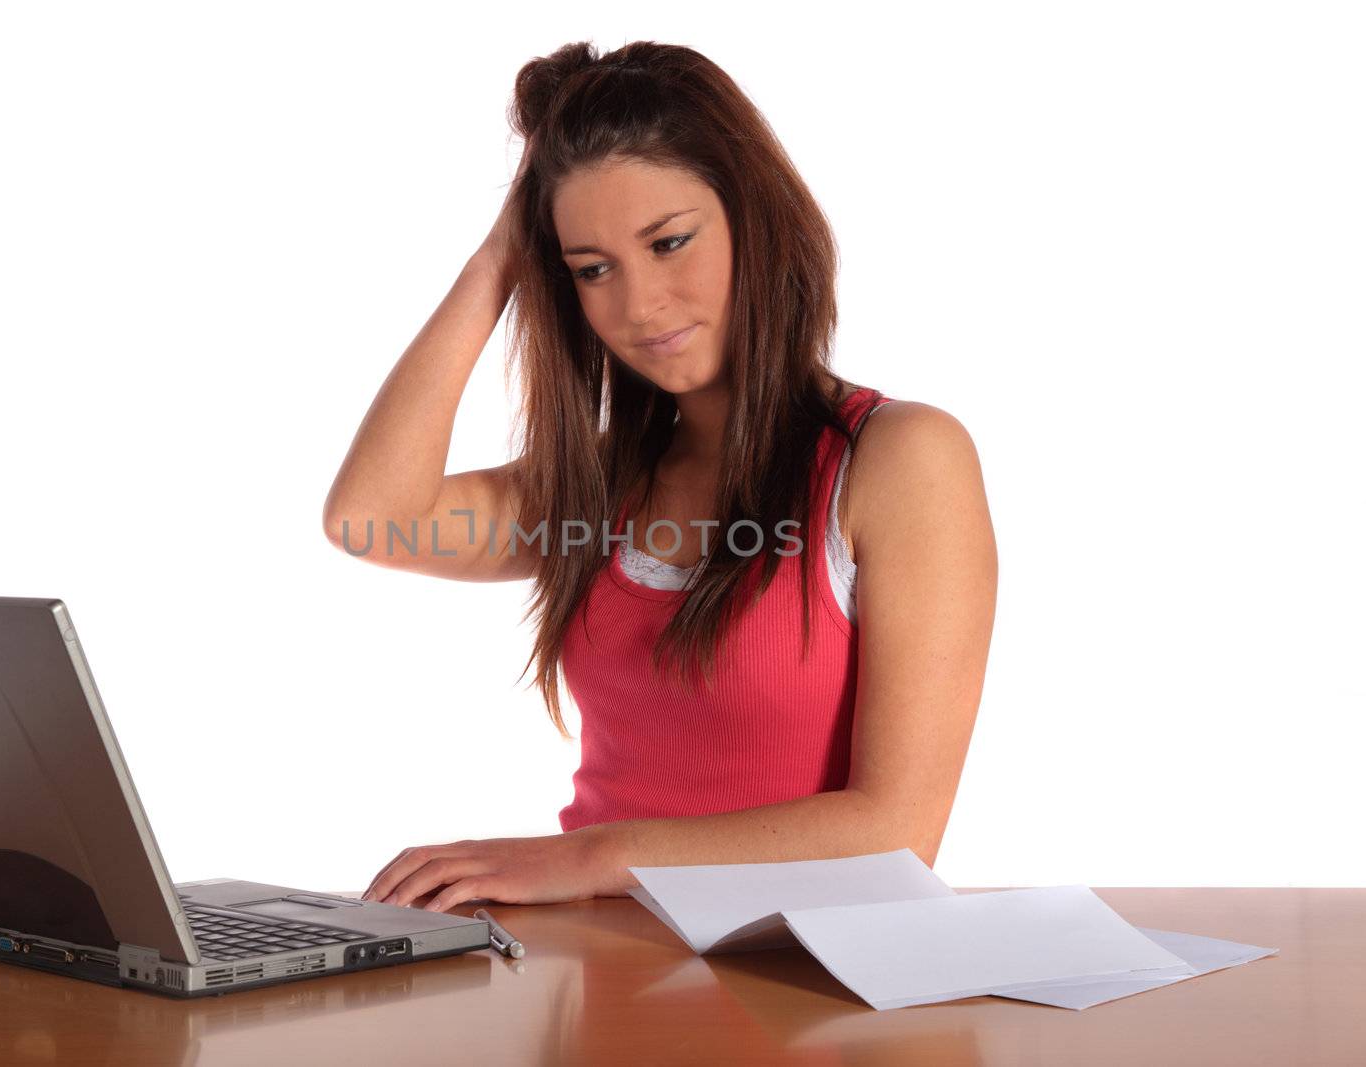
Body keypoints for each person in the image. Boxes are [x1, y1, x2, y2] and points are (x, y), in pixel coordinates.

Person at [323, 41, 997, 913]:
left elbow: (896, 830)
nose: (638, 306)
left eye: (669, 242)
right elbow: (371, 516)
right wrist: (500, 262)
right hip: (589, 969)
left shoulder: (898, 459)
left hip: (797, 993)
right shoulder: (603, 484)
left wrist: (600, 854)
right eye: (592, 268)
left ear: (754, 215)